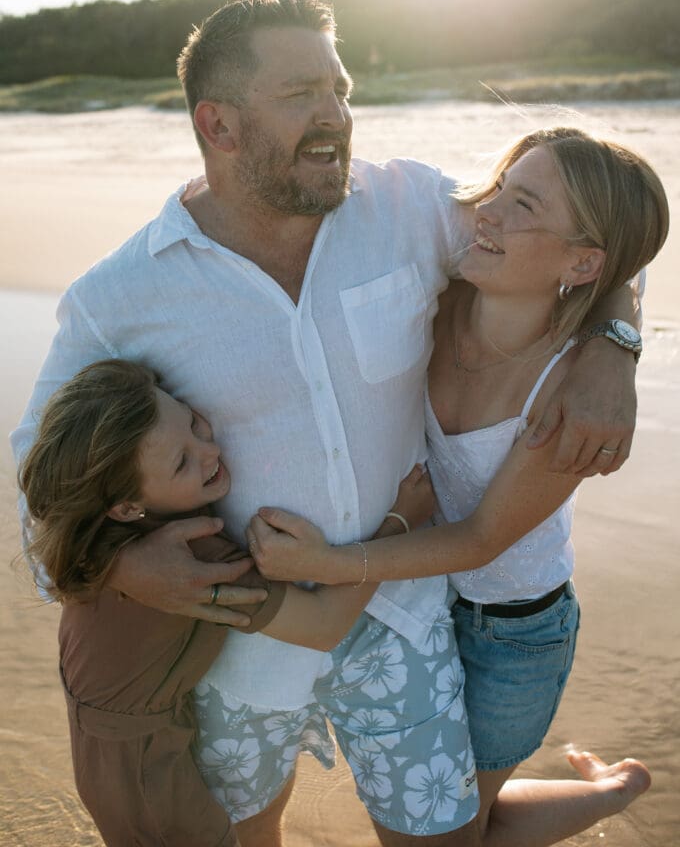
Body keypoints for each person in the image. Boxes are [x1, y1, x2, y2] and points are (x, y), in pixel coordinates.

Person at [12, 0, 643, 847]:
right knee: (248, 835)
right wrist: (124, 571)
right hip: (243, 638)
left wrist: (614, 344)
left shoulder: (410, 207)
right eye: (301, 94)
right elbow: (38, 485)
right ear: (220, 125)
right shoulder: (118, 297)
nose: (336, 115)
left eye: (341, 89)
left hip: (405, 620)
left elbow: (579, 243)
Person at [248, 126, 667, 846]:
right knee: (450, 823)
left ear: (579, 261)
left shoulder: (566, 395)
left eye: (522, 205)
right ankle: (607, 786)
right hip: (422, 599)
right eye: (498, 187)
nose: (487, 211)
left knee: (465, 828)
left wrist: (328, 564)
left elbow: (478, 540)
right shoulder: (441, 300)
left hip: (514, 638)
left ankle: (613, 790)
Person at [19, 358, 433, 847]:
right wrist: (399, 522)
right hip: (143, 773)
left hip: (106, 743)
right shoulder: (192, 558)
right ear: (128, 508)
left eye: (194, 423)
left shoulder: (96, 540)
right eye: (181, 461)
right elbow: (324, 625)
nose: (210, 449)